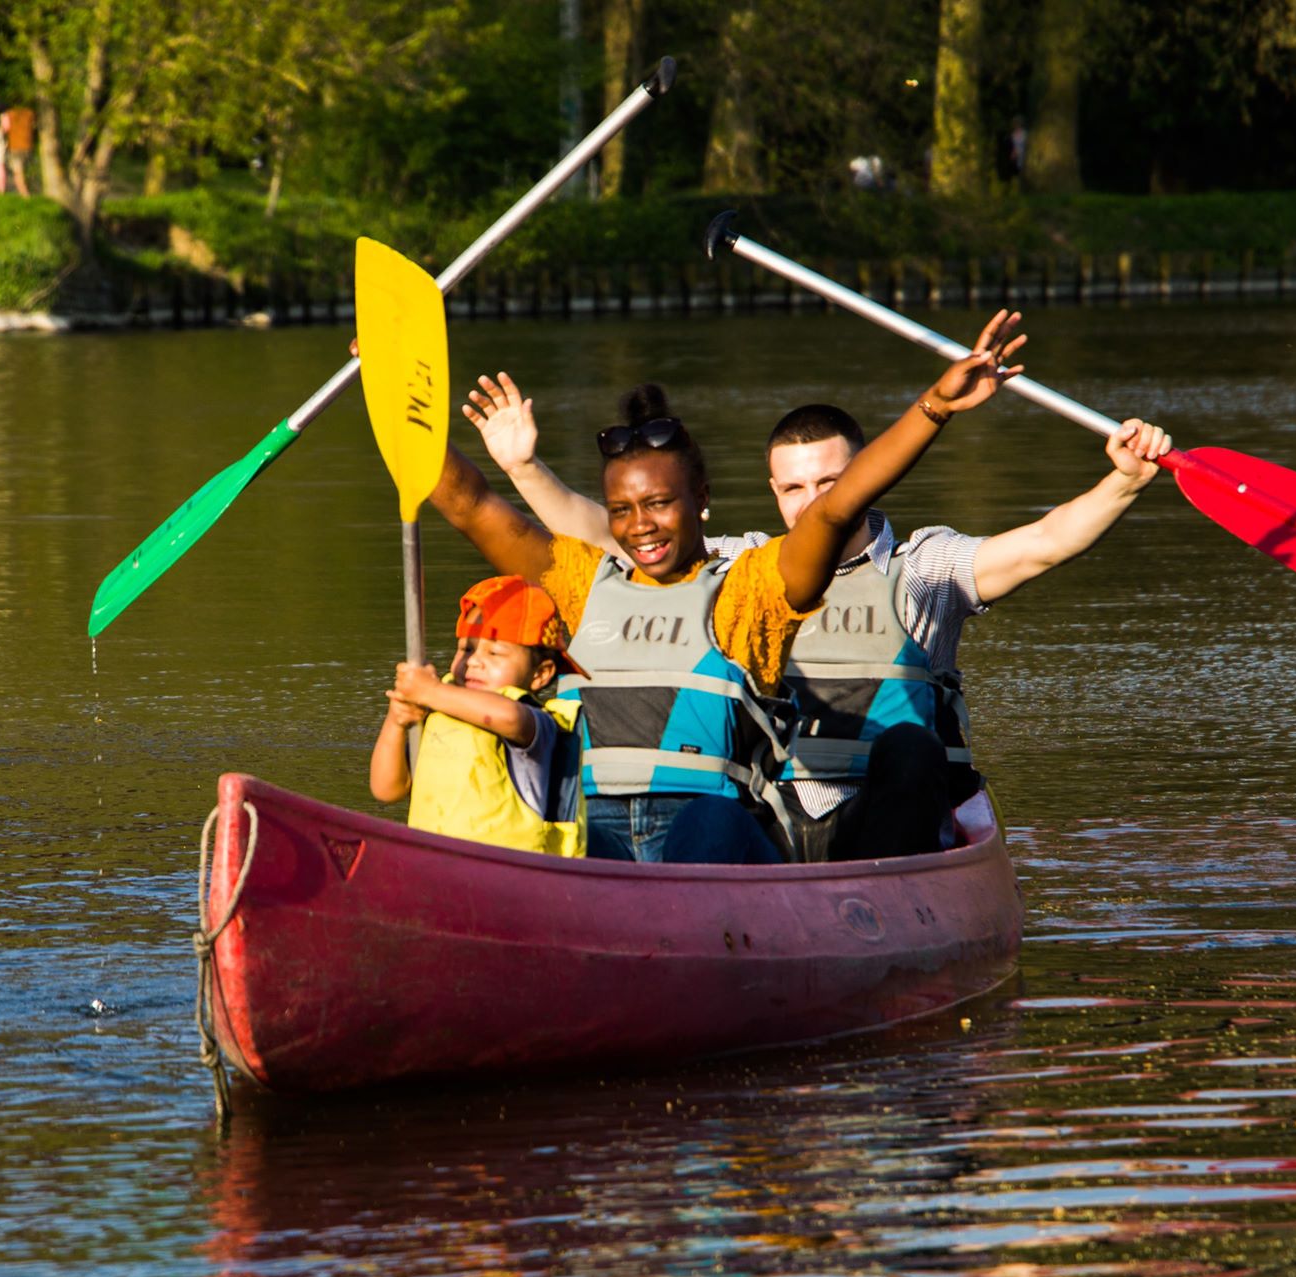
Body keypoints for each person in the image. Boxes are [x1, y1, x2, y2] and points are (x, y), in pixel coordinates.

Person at [467, 385, 1174, 861]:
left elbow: (1045, 541)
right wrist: (525, 467)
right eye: (793, 487)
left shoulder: (925, 568)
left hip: (884, 825)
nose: (811, 504)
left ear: (864, 475)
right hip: (776, 822)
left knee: (911, 749)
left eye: (829, 484)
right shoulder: (742, 568)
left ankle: (889, 915)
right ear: (773, 492)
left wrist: (1122, 481)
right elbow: (608, 544)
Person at [433, 312, 1024, 865]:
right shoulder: (581, 580)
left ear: (703, 500)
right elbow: (470, 504)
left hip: (715, 849)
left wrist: (934, 407)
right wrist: (404, 405)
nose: (640, 525)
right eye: (622, 509)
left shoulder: (749, 592)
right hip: (600, 846)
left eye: (660, 504)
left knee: (708, 823)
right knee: (543, 835)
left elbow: (835, 509)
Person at [370, 575, 589, 857]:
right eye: (466, 649)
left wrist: (430, 691)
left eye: (495, 652)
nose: (473, 661)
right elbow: (387, 789)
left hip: (512, 875)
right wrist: (396, 722)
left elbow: (508, 717)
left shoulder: (536, 723)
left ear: (540, 674)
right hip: (435, 866)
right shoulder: (439, 708)